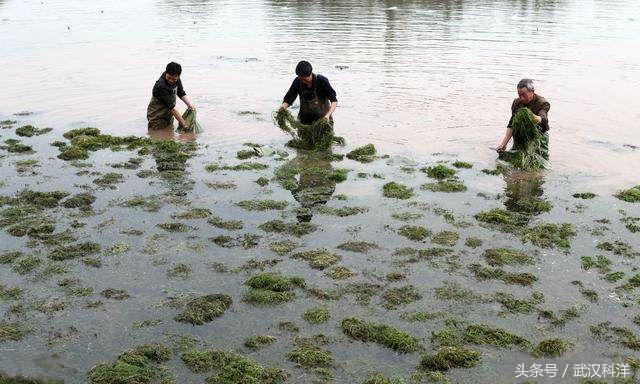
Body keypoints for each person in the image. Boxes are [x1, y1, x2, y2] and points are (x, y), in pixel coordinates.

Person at [497, 79, 550, 153]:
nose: (521, 98)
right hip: (521, 136)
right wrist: (503, 144)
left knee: (539, 158)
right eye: (519, 95)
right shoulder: (517, 102)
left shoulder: (542, 103)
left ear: (532, 92)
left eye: (524, 95)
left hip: (539, 136)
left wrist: (532, 117)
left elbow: (543, 118)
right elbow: (512, 124)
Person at [281, 61, 338, 125]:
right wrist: (281, 110)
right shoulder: (297, 81)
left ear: (310, 73)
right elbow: (288, 100)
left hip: (323, 121)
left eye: (305, 79)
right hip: (304, 122)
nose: (303, 81)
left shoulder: (322, 81)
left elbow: (334, 101)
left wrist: (327, 115)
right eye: (301, 79)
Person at [147, 62, 195, 130]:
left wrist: (189, 105)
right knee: (157, 137)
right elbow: (172, 108)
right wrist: (184, 124)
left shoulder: (177, 79)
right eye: (169, 78)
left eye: (174, 79)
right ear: (166, 72)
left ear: (178, 76)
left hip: (168, 115)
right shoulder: (160, 86)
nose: (171, 81)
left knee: (169, 135)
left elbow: (181, 93)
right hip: (156, 117)